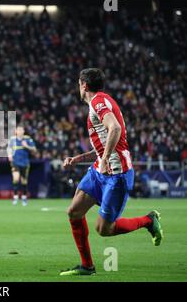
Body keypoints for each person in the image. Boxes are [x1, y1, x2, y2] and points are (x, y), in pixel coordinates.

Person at [60, 68, 163, 276]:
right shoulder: (99, 103)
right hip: (100, 169)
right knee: (74, 211)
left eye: (78, 83)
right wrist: (79, 159)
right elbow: (104, 142)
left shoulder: (98, 102)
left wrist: (105, 158)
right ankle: (87, 266)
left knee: (104, 229)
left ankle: (149, 221)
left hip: (117, 174)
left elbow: (114, 128)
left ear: (84, 85)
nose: (78, 87)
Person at [7, 125, 36, 206]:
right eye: (18, 130)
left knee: (24, 181)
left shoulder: (28, 139)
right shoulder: (12, 139)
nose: (19, 131)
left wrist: (26, 146)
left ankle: (24, 197)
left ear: (23, 131)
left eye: (21, 130)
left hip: (25, 163)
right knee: (16, 179)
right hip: (15, 162)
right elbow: (9, 148)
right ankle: (15, 197)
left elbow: (34, 149)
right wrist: (9, 155)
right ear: (16, 131)